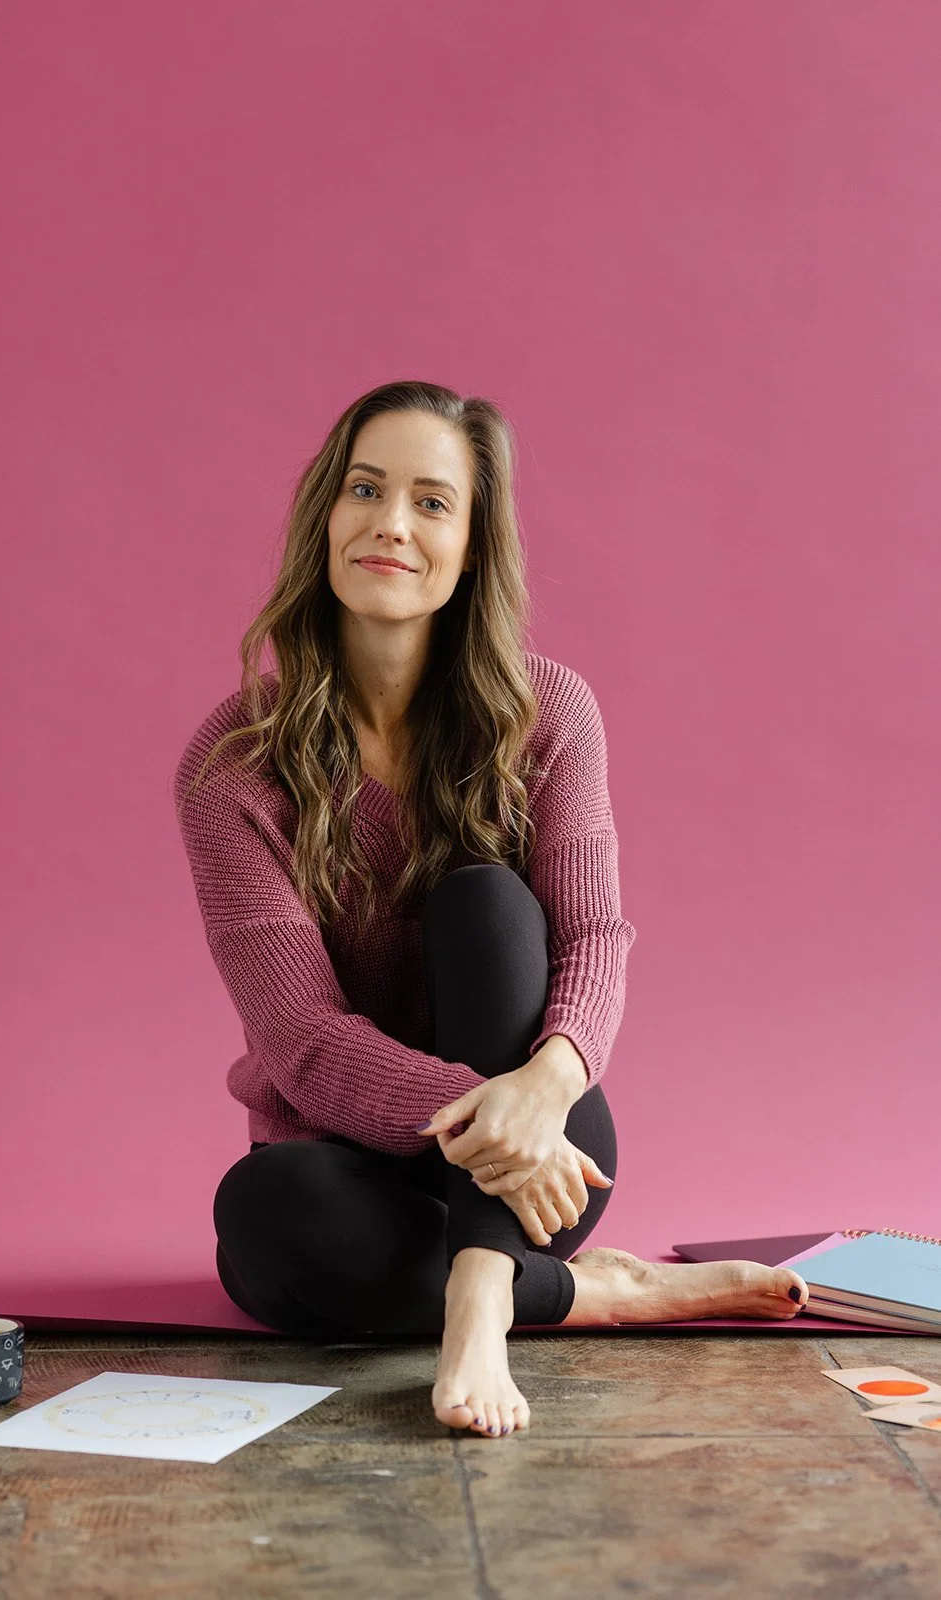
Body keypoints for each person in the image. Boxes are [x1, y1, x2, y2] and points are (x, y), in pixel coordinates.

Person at [174, 380, 810, 1441]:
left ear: (469, 547)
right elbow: (303, 1043)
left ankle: (479, 1291)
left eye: (431, 502)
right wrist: (487, 1117)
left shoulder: (548, 711)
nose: (390, 523)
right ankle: (581, 1291)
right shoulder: (233, 764)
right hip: (378, 1148)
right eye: (365, 489)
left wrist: (542, 1088)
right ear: (323, 516)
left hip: (546, 1132)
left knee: (483, 900)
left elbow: (594, 939)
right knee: (263, 1222)